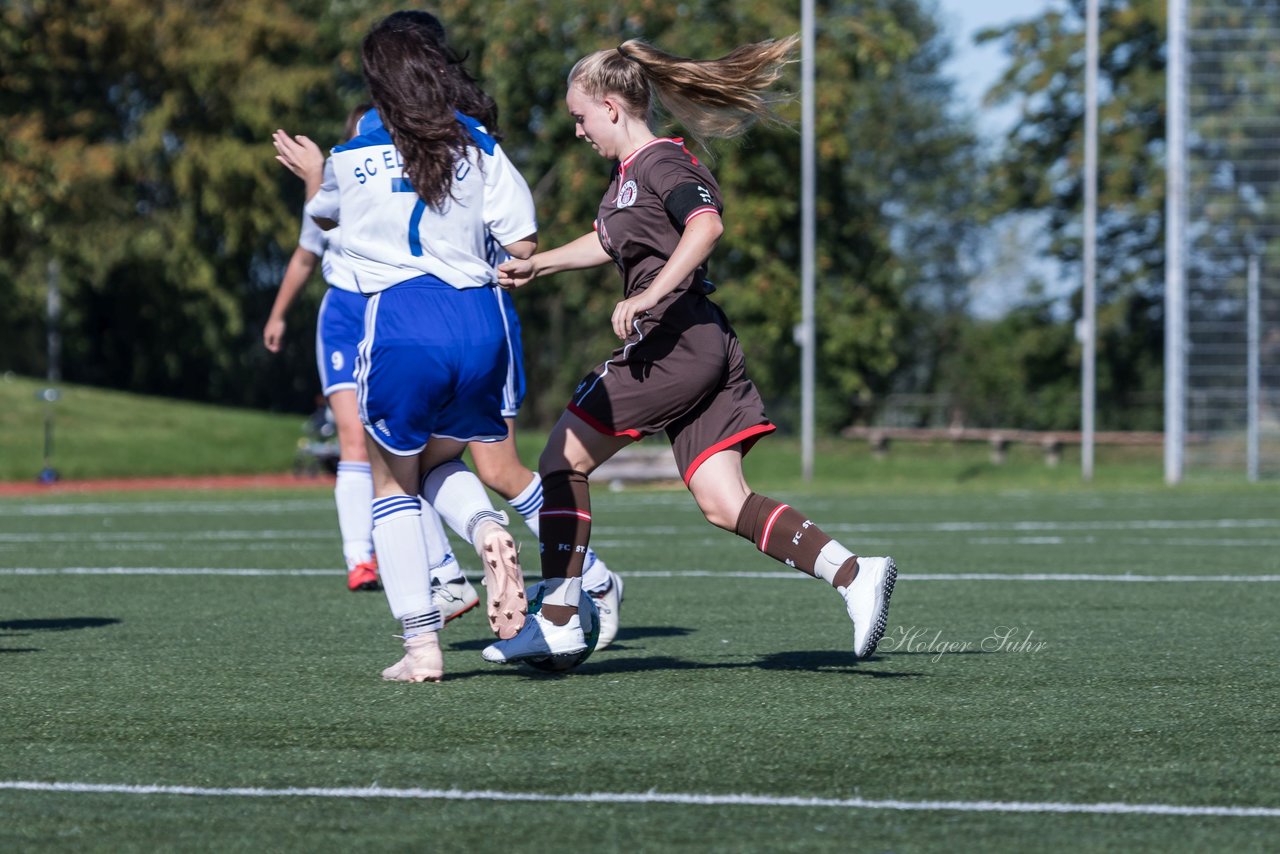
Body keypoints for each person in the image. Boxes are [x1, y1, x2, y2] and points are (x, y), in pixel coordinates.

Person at [484, 37, 897, 666]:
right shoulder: (626, 182)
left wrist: (649, 294)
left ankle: (561, 618)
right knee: (723, 502)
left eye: (579, 117)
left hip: (677, 342)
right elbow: (606, 239)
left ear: (612, 109)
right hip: (698, 344)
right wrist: (539, 265)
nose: (577, 131)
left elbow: (707, 227)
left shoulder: (661, 163)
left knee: (559, 458)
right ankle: (855, 574)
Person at [272, 15, 538, 682]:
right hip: (480, 321)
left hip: (402, 324)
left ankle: (422, 648)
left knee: (393, 483)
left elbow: (323, 222)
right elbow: (524, 243)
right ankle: (483, 529)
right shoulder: (477, 144)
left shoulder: (351, 158)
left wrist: (311, 170)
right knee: (444, 459)